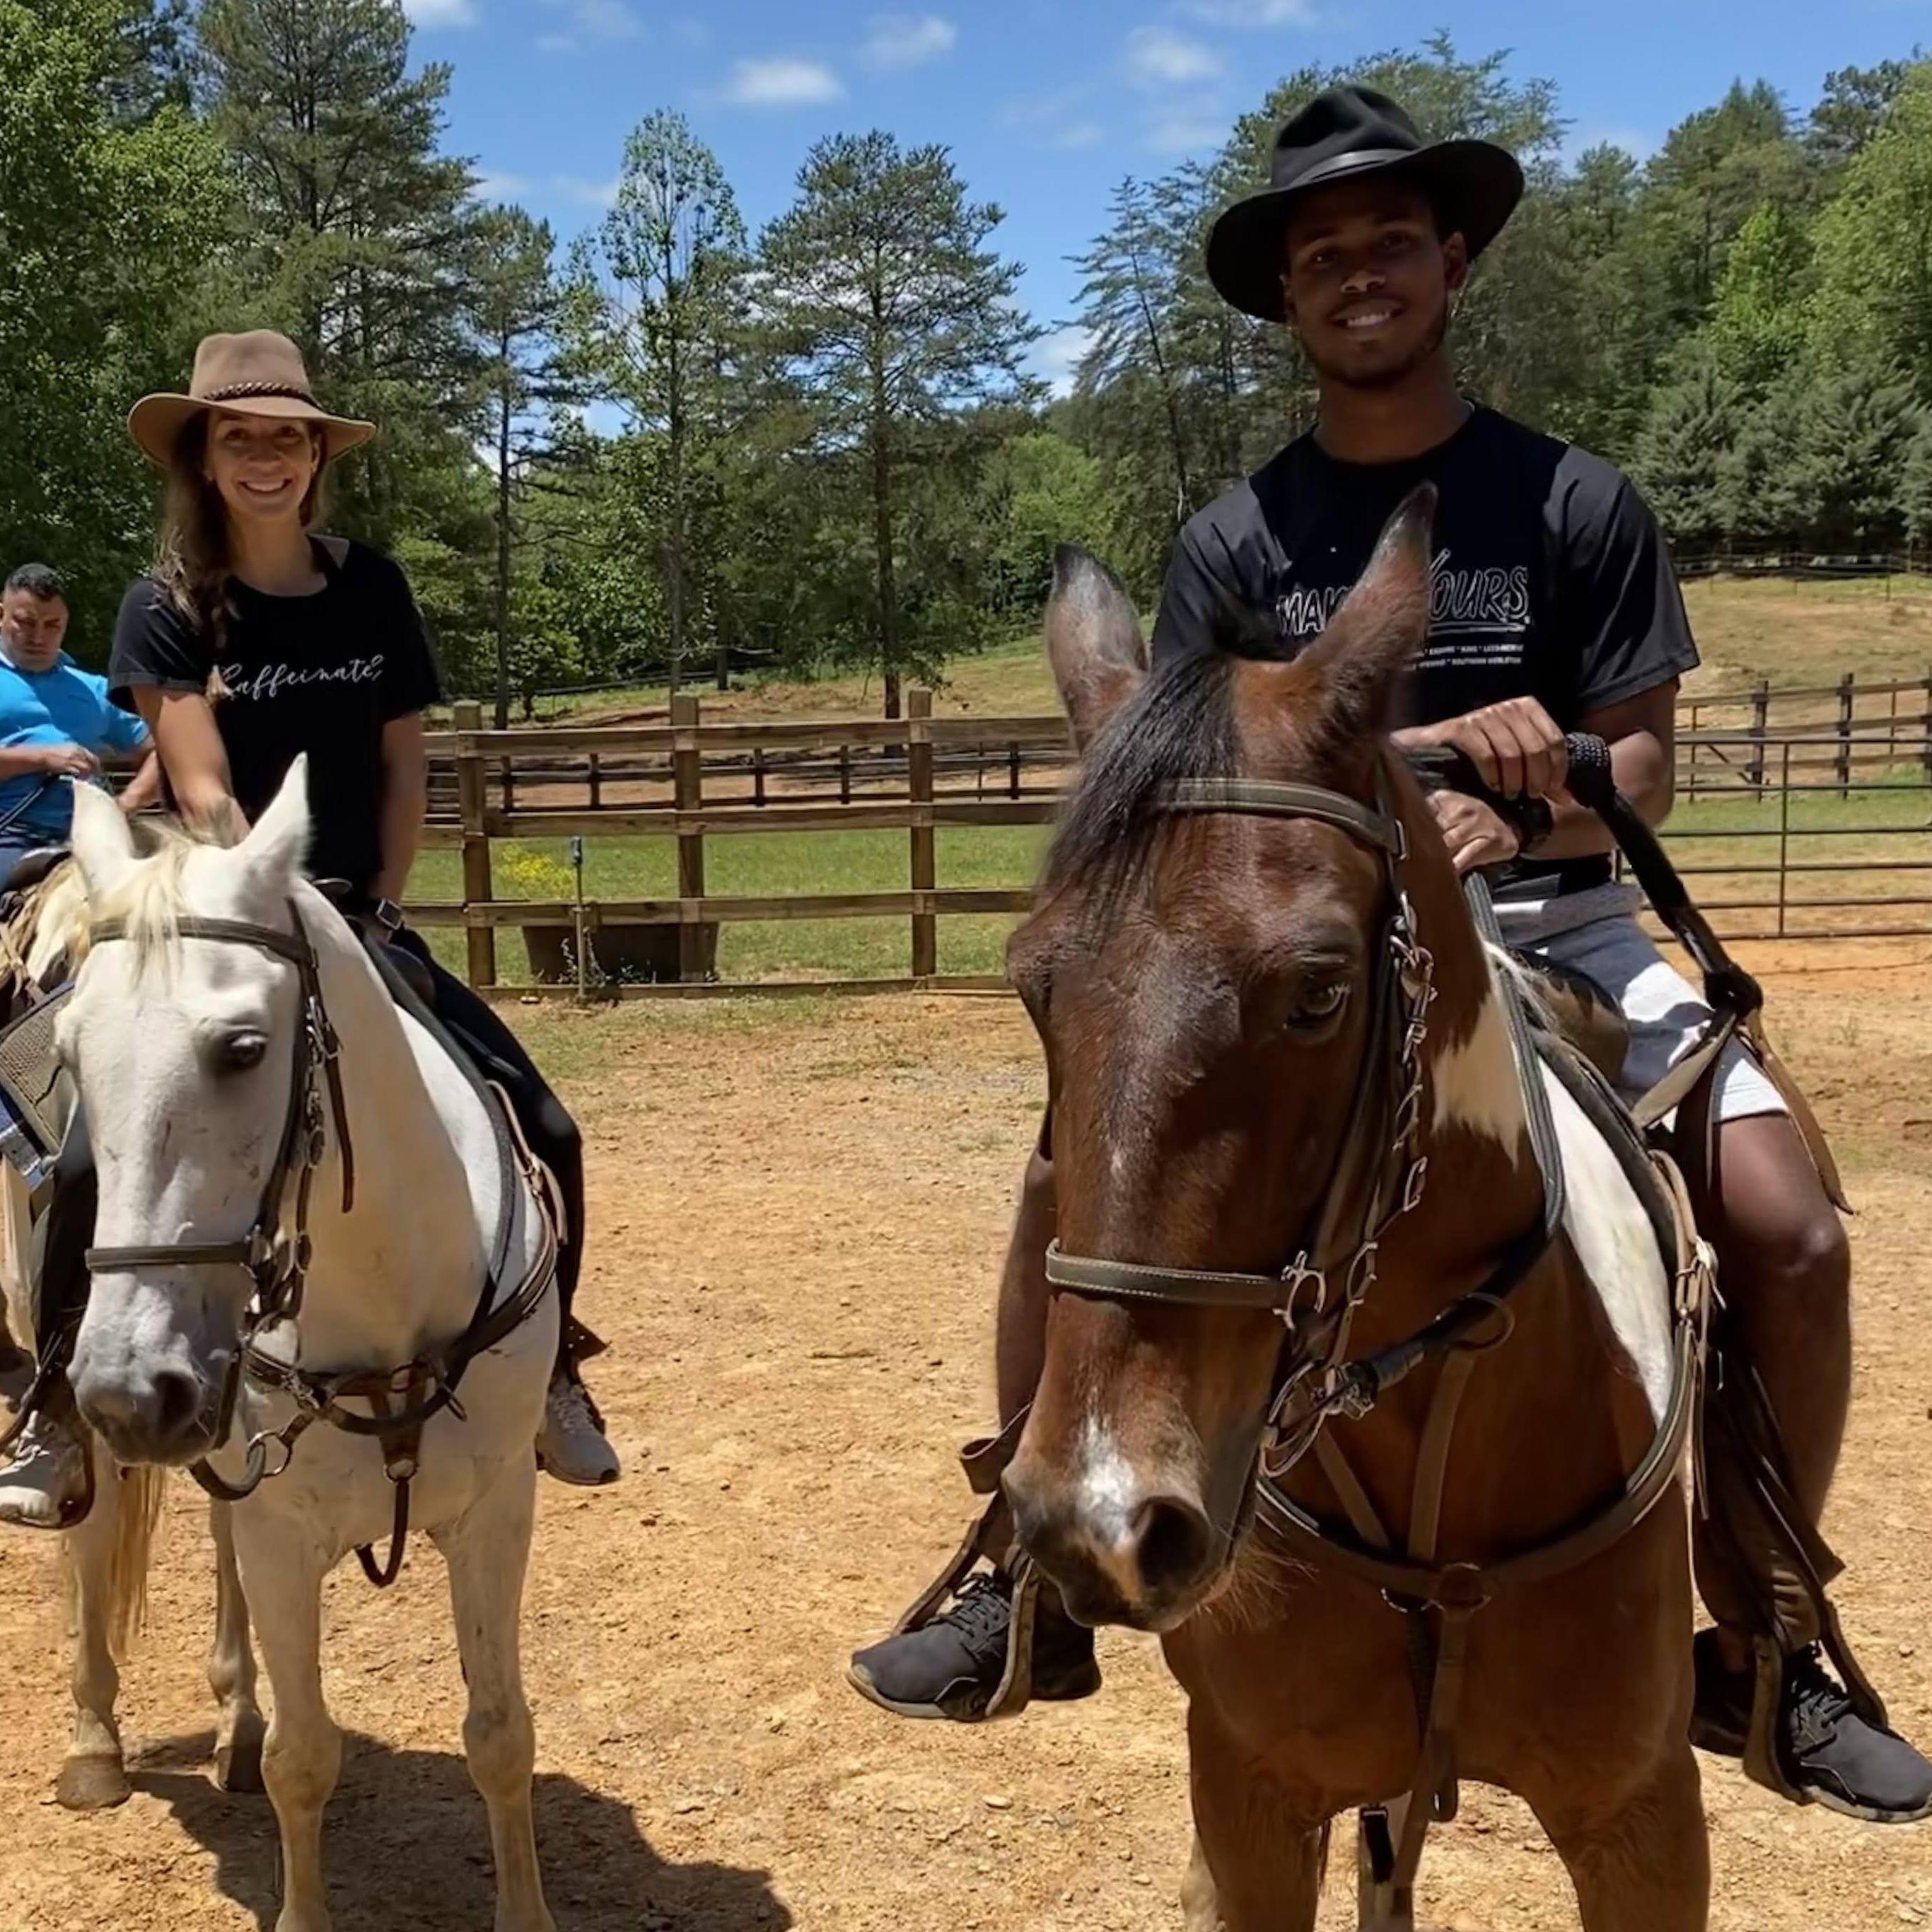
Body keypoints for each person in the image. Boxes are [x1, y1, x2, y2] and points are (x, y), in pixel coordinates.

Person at [847, 86, 1932, 1825]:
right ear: (1289, 296)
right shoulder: (1234, 544)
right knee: (1070, 1170)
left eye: (1389, 241)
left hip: (1560, 919)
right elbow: (1174, 794)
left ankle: (1775, 1639)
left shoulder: (1573, 501)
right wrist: (1422, 776)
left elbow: (1642, 762)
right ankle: (1019, 1577)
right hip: (1301, 955)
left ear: (1452, 262)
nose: (1357, 272)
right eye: (1321, 253)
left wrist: (1549, 787)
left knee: (1790, 1225)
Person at [0, 330, 617, 1531]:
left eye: (287, 436)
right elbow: (198, 771)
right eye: (240, 435)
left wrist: (375, 901)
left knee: (546, 1119)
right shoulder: (164, 608)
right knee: (84, 1154)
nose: (266, 457)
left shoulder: (370, 587)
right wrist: (264, 891)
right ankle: (59, 1412)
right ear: (205, 455)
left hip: (354, 910)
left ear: (315, 454)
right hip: (222, 913)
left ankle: (553, 1368)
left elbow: (400, 761)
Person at [0, 563, 159, 884]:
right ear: (2, 614)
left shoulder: (97, 690)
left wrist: (124, 805)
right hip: (12, 833)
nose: (38, 637)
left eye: (52, 625)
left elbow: (166, 752)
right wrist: (41, 758)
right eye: (25, 623)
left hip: (97, 836)